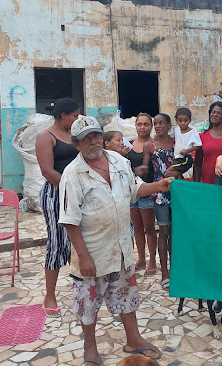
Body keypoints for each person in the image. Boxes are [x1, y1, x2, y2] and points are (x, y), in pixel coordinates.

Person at [59, 116, 170, 364]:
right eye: (86, 138)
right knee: (88, 306)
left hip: (120, 248)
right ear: (76, 144)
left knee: (127, 296)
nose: (94, 141)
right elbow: (69, 220)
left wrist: (159, 185)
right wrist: (84, 256)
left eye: (96, 135)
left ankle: (134, 339)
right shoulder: (72, 174)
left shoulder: (118, 161)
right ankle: (90, 349)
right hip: (92, 254)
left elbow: (134, 189)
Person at [35, 97, 80, 316]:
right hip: (56, 194)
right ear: (63, 116)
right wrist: (69, 187)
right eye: (74, 116)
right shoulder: (46, 137)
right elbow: (47, 171)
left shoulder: (74, 135)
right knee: (56, 241)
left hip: (77, 192)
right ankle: (50, 295)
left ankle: (79, 283)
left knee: (77, 240)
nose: (76, 119)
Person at [125, 113, 157, 276]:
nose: (142, 127)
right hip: (132, 192)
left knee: (149, 228)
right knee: (137, 228)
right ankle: (141, 259)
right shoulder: (129, 145)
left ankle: (152, 260)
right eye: (139, 124)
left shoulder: (154, 145)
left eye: (146, 124)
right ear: (135, 126)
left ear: (151, 127)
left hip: (147, 190)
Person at [150, 113, 179, 288]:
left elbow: (187, 161)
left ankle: (175, 268)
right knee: (163, 231)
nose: (158, 126)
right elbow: (147, 171)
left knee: (175, 232)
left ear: (169, 124)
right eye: (156, 124)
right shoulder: (150, 145)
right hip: (160, 192)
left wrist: (177, 172)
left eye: (161, 123)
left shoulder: (177, 143)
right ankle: (165, 273)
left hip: (176, 191)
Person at [194, 101, 222, 184]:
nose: (215, 115)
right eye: (213, 112)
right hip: (207, 182)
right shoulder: (202, 136)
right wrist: (196, 183)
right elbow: (197, 163)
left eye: (219, 113)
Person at [170, 107, 202, 178]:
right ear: (176, 120)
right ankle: (181, 181)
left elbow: (199, 145)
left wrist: (187, 150)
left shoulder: (193, 132)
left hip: (185, 159)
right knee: (177, 175)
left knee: (168, 172)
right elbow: (170, 138)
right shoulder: (176, 130)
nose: (183, 123)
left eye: (185, 120)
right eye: (180, 121)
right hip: (177, 158)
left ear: (190, 120)